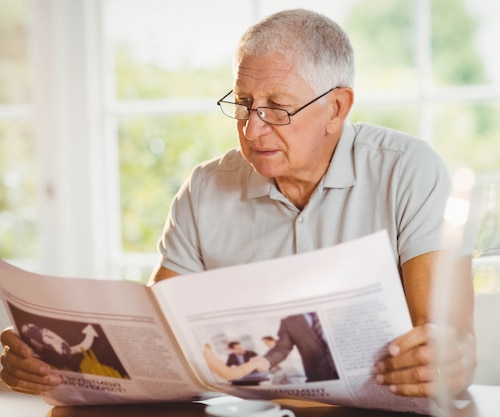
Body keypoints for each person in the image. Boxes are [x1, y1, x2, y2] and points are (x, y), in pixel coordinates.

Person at [1, 8, 475, 399]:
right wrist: (54, 365)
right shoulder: (205, 188)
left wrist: (449, 359)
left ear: (336, 108)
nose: (252, 128)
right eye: (244, 103)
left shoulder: (408, 169)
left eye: (277, 107)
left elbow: (448, 337)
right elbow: (158, 340)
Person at [262, 312, 337, 383]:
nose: (267, 345)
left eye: (267, 343)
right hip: (319, 378)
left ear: (272, 340)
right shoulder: (289, 322)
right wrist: (259, 363)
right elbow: (282, 349)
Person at [202, 343, 267, 381]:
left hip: (255, 374)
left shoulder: (251, 353)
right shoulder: (231, 356)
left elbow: (262, 367)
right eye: (238, 348)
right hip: (242, 376)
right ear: (232, 350)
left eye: (241, 347)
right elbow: (227, 368)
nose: (242, 349)